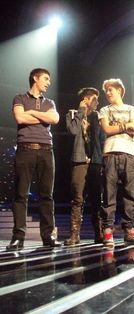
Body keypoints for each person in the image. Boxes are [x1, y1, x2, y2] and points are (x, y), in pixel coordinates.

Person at [6, 68, 61, 250]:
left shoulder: (50, 102)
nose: (48, 82)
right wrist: (42, 117)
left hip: (46, 150)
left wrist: (33, 113)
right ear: (35, 79)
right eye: (45, 78)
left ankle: (48, 236)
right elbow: (20, 118)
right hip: (25, 149)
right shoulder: (20, 98)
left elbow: (54, 119)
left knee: (47, 195)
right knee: (21, 194)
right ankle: (18, 237)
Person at [99, 78, 134, 247]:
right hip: (110, 154)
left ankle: (129, 230)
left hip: (129, 154)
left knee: (131, 194)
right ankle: (108, 230)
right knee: (109, 194)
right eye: (106, 91)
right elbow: (107, 129)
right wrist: (126, 126)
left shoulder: (131, 109)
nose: (108, 93)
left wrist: (118, 126)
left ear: (120, 90)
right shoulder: (104, 109)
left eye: (111, 90)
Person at [64, 87, 105, 245]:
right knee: (77, 198)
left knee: (97, 199)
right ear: (86, 99)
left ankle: (99, 233)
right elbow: (73, 131)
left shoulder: (97, 116)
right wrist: (81, 110)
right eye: (94, 99)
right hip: (79, 161)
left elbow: (102, 139)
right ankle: (75, 235)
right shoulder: (73, 114)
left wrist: (101, 160)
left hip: (95, 161)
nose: (97, 102)